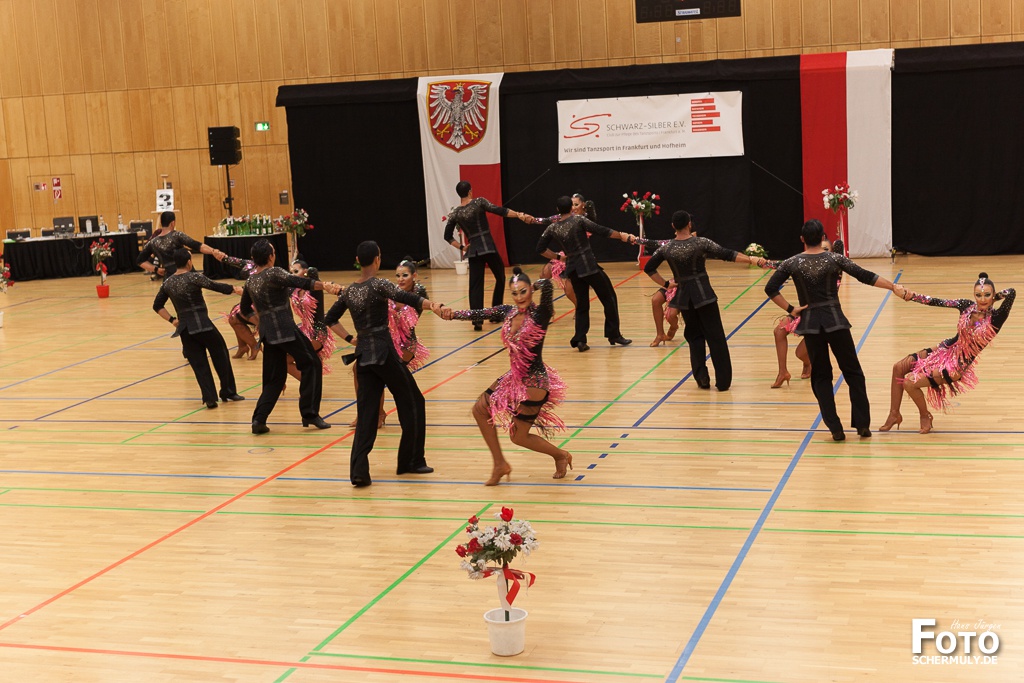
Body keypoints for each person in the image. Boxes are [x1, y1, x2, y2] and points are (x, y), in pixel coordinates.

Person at [763, 219, 905, 441]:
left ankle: (835, 428)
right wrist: (892, 286)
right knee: (853, 372)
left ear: (802, 239)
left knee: (821, 376)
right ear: (822, 238)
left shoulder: (792, 262)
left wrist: (792, 309)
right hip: (836, 322)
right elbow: (865, 275)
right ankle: (862, 425)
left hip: (811, 326)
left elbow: (770, 288)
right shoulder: (834, 258)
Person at [324, 241, 443, 487]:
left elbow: (330, 318)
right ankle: (411, 460)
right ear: (377, 259)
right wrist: (432, 305)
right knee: (413, 401)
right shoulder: (379, 284)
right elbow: (407, 297)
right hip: (384, 353)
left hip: (364, 356)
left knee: (367, 414)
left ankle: (359, 471)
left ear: (358, 260)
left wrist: (351, 338)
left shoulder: (350, 291)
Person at [441, 268, 572, 485]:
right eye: (515, 293)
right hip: (514, 377)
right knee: (481, 410)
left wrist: (536, 284)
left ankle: (560, 455)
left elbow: (548, 286)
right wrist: (453, 314)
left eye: (523, 291)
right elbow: (480, 313)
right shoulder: (508, 312)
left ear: (530, 291)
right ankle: (500, 464)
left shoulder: (540, 314)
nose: (519, 297)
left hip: (534, 382)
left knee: (518, 436)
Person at [881, 272, 1015, 433]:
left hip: (956, 365)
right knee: (898, 367)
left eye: (987, 295)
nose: (982, 299)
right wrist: (911, 296)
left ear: (993, 295)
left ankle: (925, 416)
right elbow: (935, 301)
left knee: (909, 383)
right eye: (978, 295)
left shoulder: (998, 317)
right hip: (945, 349)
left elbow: (1012, 292)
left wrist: (995, 297)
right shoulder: (966, 306)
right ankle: (894, 414)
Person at [640, 210, 759, 390]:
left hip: (684, 298)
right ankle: (723, 382)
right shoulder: (701, 242)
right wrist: (750, 260)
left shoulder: (667, 248)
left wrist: (666, 284)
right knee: (716, 338)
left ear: (673, 226)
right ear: (689, 224)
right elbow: (727, 254)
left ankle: (702, 378)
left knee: (694, 337)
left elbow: (649, 268)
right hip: (704, 296)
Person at [238, 239, 340, 434]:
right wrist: (325, 286)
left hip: (268, 334)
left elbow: (244, 310)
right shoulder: (274, 273)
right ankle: (309, 413)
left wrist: (260, 322)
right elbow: (300, 282)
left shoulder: (251, 281)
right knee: (312, 364)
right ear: (270, 256)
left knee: (274, 379)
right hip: (285, 329)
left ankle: (258, 420)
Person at [534, 195, 635, 352]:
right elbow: (603, 231)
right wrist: (622, 236)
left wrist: (559, 257)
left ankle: (580, 339)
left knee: (582, 304)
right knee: (609, 297)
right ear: (571, 207)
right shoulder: (579, 220)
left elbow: (540, 249)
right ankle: (613, 334)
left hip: (573, 269)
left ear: (557, 210)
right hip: (589, 266)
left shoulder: (552, 228)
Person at [152, 248, 246, 409]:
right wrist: (235, 289)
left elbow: (157, 306)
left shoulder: (168, 282)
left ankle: (209, 398)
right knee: (221, 355)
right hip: (204, 325)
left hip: (185, 329)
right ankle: (228, 391)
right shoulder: (193, 277)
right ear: (189, 262)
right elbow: (214, 285)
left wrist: (173, 320)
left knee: (199, 364)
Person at [348, 258, 430, 430]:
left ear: (414, 276)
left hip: (405, 345)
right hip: (388, 342)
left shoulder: (417, 293)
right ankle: (368, 413)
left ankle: (378, 415)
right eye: (398, 276)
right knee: (358, 369)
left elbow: (405, 310)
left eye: (405, 275)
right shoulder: (391, 291)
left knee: (378, 372)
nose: (400, 279)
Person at [443, 180, 532, 331]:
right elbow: (500, 211)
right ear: (470, 191)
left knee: (475, 286)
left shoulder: (455, 213)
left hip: (474, 252)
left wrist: (463, 247)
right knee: (500, 277)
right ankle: (496, 313)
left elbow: (447, 236)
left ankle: (477, 320)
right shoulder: (479, 202)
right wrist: (518, 214)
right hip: (488, 247)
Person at [768, 238, 839, 387]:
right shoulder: (805, 264)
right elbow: (784, 265)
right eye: (821, 248)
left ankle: (808, 362)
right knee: (779, 331)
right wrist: (763, 262)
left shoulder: (833, 269)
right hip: (803, 311)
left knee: (800, 353)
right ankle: (783, 372)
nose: (821, 252)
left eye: (826, 250)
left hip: (820, 316)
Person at [538, 193, 597, 310]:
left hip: (579, 257)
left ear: (583, 205)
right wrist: (530, 219)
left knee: (569, 291)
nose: (574, 207)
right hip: (565, 254)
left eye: (576, 204)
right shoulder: (565, 216)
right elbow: (545, 220)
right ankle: (546, 308)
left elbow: (592, 217)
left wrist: (590, 207)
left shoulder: (584, 219)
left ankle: (579, 309)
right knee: (544, 274)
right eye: (572, 204)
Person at [287, 258, 336, 380]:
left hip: (317, 332)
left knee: (288, 360)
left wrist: (311, 273)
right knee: (287, 360)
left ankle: (309, 383)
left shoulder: (314, 288)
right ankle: (310, 383)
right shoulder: (293, 289)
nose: (292, 275)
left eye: (296, 271)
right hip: (303, 331)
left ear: (305, 272)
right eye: (291, 272)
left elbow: (315, 277)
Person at [138, 211, 217, 279]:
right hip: (187, 275)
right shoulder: (177, 235)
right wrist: (214, 251)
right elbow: (197, 245)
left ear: (161, 223)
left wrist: (156, 269)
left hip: (169, 278)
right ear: (172, 223)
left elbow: (139, 261)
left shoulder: (153, 242)